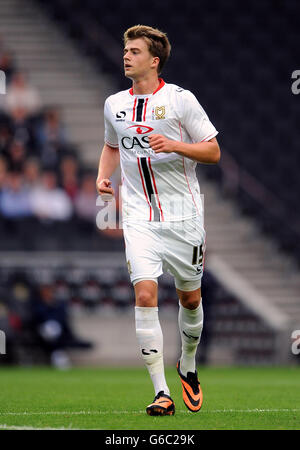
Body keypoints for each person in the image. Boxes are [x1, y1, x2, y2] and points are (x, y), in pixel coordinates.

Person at [96, 25, 220, 416]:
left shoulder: (181, 100)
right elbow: (111, 145)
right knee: (145, 295)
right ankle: (161, 392)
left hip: (184, 217)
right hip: (139, 217)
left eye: (134, 51)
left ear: (154, 60)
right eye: (125, 50)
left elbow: (213, 151)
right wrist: (103, 175)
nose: (126, 56)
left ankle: (187, 363)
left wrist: (175, 144)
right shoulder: (113, 104)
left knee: (191, 298)